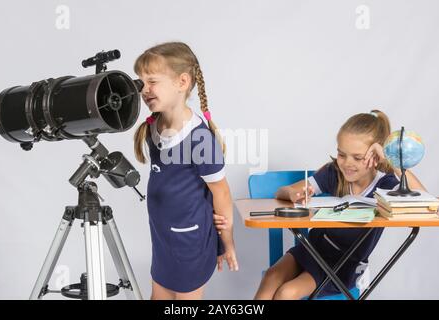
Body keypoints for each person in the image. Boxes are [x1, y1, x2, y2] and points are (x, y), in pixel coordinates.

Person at [253, 110, 426, 300]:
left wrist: (390, 160)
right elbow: (282, 191)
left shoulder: (386, 185)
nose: (347, 163)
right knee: (271, 277)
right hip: (311, 249)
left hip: (343, 266)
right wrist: (293, 193)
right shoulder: (333, 173)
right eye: (342, 154)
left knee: (287, 293)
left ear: (375, 157)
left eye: (357, 158)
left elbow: (425, 202)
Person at [133, 42, 238, 300]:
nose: (144, 90)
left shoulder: (199, 138)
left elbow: (221, 193)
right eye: (141, 82)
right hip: (162, 238)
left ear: (182, 82)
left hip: (190, 242)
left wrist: (227, 242)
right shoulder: (153, 128)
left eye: (152, 81)